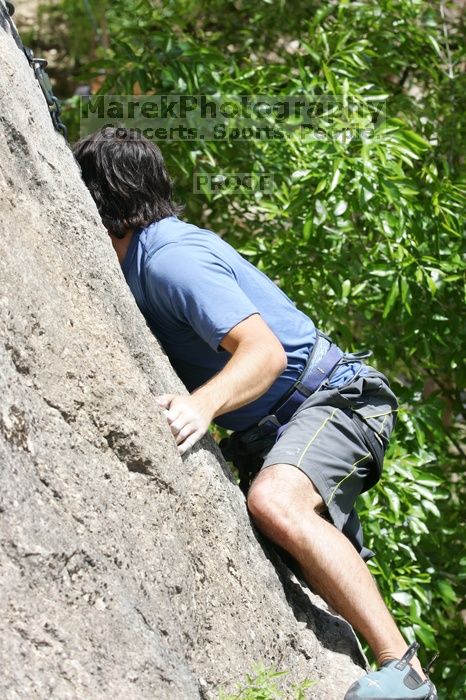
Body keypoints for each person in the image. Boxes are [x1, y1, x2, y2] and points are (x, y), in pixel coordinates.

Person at [73, 126, 437, 700]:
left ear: (98, 203)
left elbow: (263, 354)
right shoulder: (144, 259)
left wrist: (202, 404)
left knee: (274, 502)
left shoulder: (169, 260)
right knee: (301, 555)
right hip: (277, 427)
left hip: (333, 402)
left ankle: (406, 675)